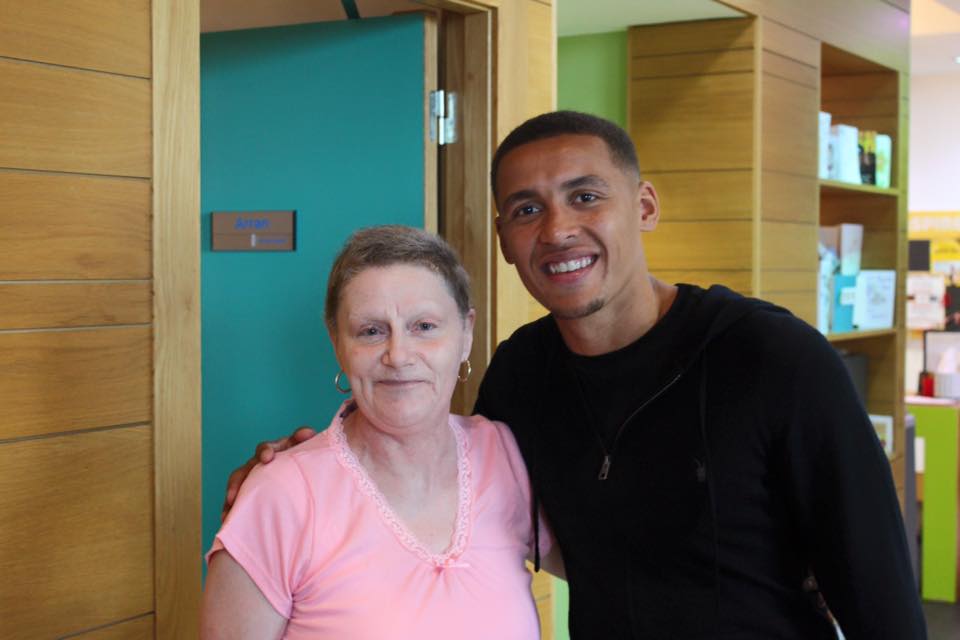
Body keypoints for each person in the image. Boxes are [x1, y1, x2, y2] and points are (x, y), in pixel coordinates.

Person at [225, 112, 926, 639]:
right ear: (504, 239)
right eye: (527, 209)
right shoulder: (522, 377)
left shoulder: (775, 359)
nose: (557, 228)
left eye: (586, 196)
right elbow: (452, 482)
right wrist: (303, 470)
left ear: (644, 206)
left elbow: (880, 598)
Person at [202, 225, 555, 639]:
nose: (399, 355)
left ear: (466, 334)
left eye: (424, 326)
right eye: (372, 331)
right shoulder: (280, 494)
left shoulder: (505, 455)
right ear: (337, 342)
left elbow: (614, 568)